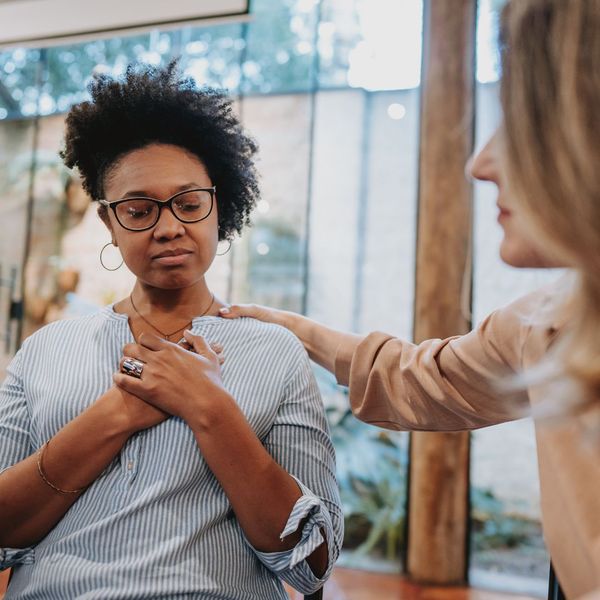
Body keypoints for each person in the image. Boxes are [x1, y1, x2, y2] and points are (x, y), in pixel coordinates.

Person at [220, 0, 600, 597]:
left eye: (524, 121)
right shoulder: (543, 324)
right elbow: (419, 378)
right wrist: (293, 330)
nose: (478, 163)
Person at [0, 63, 342, 599]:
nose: (168, 227)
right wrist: (117, 414)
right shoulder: (45, 350)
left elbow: (311, 561)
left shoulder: (275, 352)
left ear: (219, 206)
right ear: (110, 223)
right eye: (139, 210)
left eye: (188, 204)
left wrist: (208, 406)